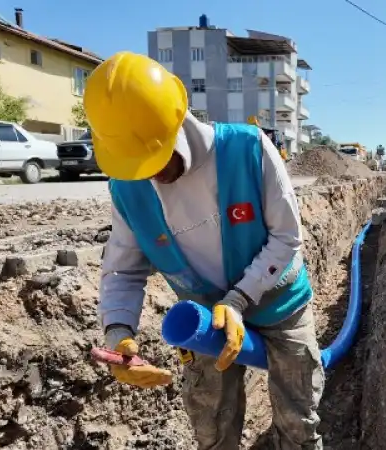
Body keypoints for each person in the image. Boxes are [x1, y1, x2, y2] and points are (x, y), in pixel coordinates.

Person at [85, 52, 324, 450]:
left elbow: (286, 238)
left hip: (281, 305)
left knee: (298, 421)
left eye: (156, 160)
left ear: (178, 121)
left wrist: (237, 299)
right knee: (211, 428)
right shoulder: (127, 188)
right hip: (203, 324)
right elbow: (122, 269)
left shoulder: (249, 150)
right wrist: (118, 334)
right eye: (137, 165)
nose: (151, 175)